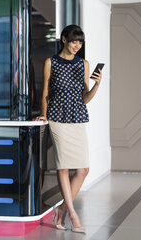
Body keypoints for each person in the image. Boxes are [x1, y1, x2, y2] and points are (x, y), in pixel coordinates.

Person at [35, 25, 102, 233]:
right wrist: (44, 115)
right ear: (64, 39)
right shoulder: (51, 62)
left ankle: (62, 210)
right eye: (74, 41)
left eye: (80, 42)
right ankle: (73, 214)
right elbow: (45, 91)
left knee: (83, 169)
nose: (77, 45)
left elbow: (84, 99)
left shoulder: (83, 64)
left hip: (77, 117)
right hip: (56, 118)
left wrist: (97, 86)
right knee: (63, 167)